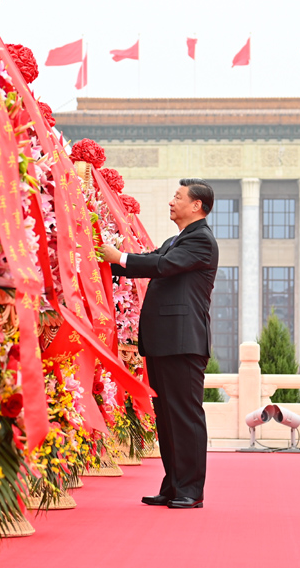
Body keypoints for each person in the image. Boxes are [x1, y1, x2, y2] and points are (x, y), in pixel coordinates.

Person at [102, 178, 218, 509]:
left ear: (196, 205)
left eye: (177, 197)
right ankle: (173, 485)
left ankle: (191, 490)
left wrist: (120, 257)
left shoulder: (202, 241)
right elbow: (146, 261)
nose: (171, 202)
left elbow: (161, 266)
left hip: (184, 342)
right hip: (164, 341)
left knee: (185, 415)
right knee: (166, 417)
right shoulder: (175, 240)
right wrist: (100, 259)